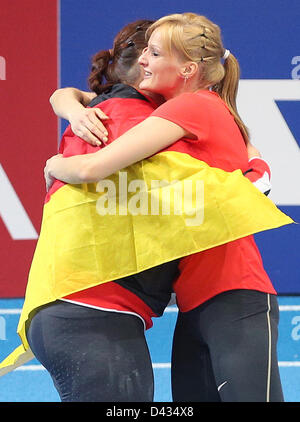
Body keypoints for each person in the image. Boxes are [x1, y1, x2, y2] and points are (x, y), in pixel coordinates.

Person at [0, 14, 292, 403]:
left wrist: (54, 164)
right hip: (193, 303)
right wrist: (71, 107)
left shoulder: (188, 110)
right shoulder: (168, 112)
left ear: (187, 68)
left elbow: (91, 168)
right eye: (144, 52)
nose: (145, 61)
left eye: (154, 53)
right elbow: (73, 95)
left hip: (235, 292)